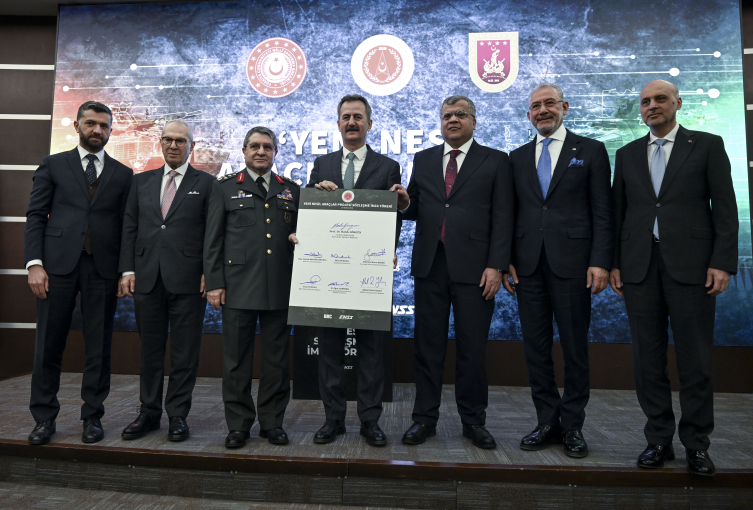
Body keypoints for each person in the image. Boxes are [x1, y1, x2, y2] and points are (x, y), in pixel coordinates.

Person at [610, 80, 738, 476]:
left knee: (695, 361)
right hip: (639, 269)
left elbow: (726, 209)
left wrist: (722, 262)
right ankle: (659, 440)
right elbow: (618, 214)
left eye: (660, 99)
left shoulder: (707, 145)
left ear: (678, 103)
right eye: (645, 102)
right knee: (647, 362)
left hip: (694, 268)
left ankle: (697, 445)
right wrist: (614, 263)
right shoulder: (627, 153)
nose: (652, 106)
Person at [392, 95, 513, 449]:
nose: (453, 120)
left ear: (474, 121)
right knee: (427, 348)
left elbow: (503, 217)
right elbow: (414, 207)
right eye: (446, 116)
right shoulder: (424, 159)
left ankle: (474, 422)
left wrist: (497, 265)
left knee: (472, 349)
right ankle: (423, 419)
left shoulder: (496, 160)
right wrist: (403, 202)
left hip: (477, 270)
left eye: (461, 114)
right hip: (431, 266)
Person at [502, 83, 614, 458]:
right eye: (535, 106)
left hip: (575, 266)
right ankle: (547, 420)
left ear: (564, 107)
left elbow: (603, 211)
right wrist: (505, 261)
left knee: (574, 348)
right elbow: (508, 215)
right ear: (528, 115)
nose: (543, 110)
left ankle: (573, 426)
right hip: (528, 267)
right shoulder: (515, 158)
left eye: (550, 103)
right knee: (535, 349)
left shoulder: (592, 151)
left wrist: (600, 260)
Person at [288, 94, 401, 447]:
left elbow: (393, 213)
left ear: (369, 123)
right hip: (329, 277)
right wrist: (312, 196)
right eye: (345, 117)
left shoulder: (387, 166)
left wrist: (390, 250)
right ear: (338, 123)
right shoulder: (321, 164)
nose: (351, 122)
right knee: (330, 351)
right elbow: (309, 210)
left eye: (358, 117)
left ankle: (370, 421)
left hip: (368, 274)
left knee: (371, 352)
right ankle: (333, 419)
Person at [24, 101, 133, 445]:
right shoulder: (53, 164)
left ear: (111, 130)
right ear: (77, 125)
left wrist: (124, 269)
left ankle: (93, 417)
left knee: (99, 347)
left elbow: (126, 226)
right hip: (55, 266)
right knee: (48, 345)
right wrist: (34, 264)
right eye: (90, 123)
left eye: (103, 125)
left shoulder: (122, 173)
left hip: (102, 267)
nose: (96, 130)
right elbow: (35, 216)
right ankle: (44, 419)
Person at [118, 120, 215, 442]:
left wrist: (209, 272)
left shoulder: (208, 183)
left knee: (185, 354)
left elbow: (211, 234)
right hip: (147, 278)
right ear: (160, 143)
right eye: (168, 140)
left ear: (192, 146)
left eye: (180, 141)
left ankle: (177, 416)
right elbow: (129, 227)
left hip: (188, 280)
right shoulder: (140, 182)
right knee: (150, 351)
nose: (173, 145)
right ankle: (148, 413)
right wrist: (127, 270)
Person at [204, 126, 300, 448]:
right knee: (235, 362)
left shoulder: (292, 190)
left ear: (275, 153)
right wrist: (214, 283)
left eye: (268, 147)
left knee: (277, 362)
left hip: (279, 288)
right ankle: (239, 425)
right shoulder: (225, 188)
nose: (261, 152)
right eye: (255, 146)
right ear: (244, 151)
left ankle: (272, 423)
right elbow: (213, 241)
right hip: (238, 289)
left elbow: (305, 236)